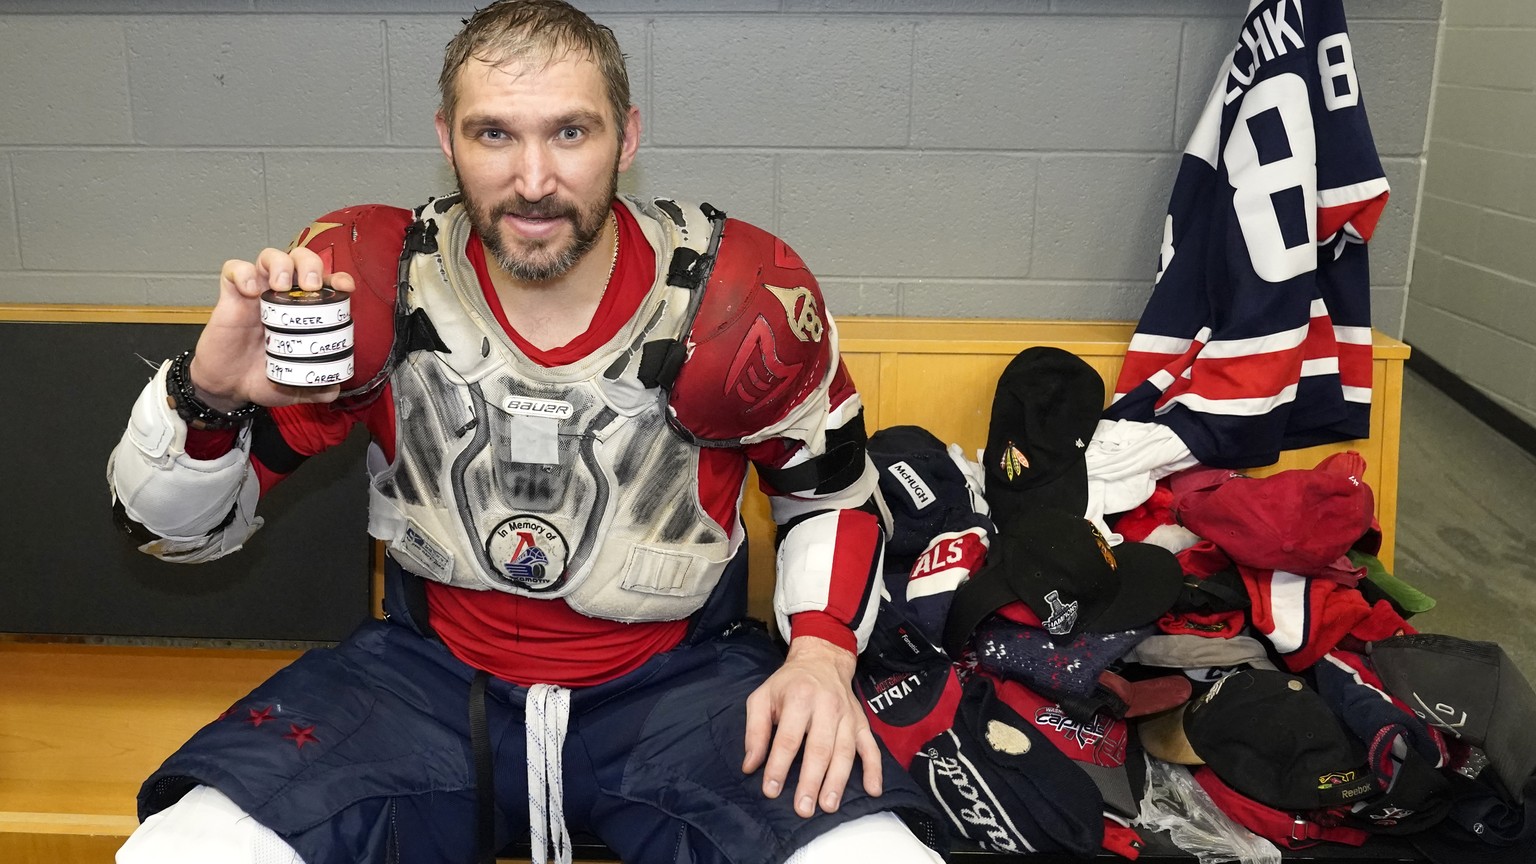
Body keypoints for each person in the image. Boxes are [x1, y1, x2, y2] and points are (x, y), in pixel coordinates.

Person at [107, 2, 943, 863]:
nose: (534, 179)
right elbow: (171, 537)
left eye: (571, 132)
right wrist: (208, 398)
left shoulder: (735, 302)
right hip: (420, 687)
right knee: (183, 851)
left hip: (680, 694)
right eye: (495, 134)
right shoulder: (374, 290)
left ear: (628, 136)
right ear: (447, 138)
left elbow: (829, 495)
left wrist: (819, 657)